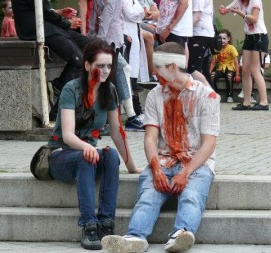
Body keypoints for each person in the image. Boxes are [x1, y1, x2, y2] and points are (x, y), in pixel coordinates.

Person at [101, 42, 220, 253]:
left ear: (173, 66)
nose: (154, 72)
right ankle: (135, 238)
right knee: (148, 195)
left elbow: (209, 143)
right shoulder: (155, 95)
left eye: (159, 67)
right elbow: (150, 139)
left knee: (192, 195)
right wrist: (155, 168)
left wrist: (186, 172)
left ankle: (181, 235)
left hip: (196, 162)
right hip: (163, 160)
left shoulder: (206, 95)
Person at [48, 38, 141, 250]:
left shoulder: (110, 91)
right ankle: (89, 226)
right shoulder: (71, 89)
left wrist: (132, 166)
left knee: (110, 155)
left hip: (87, 156)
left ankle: (106, 225)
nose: (106, 70)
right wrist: (87, 147)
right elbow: (68, 134)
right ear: (88, 65)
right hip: (61, 154)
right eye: (100, 65)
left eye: (109, 65)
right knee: (86, 156)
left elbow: (118, 132)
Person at [12, 0, 87, 121]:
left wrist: (58, 12)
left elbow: (40, 9)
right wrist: (67, 23)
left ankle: (59, 84)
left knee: (87, 46)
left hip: (46, 27)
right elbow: (43, 11)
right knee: (79, 61)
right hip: (40, 29)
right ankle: (59, 110)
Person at [87, 0, 144, 131]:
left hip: (109, 41)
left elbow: (107, 17)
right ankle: (128, 116)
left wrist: (96, 40)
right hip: (107, 41)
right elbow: (100, 18)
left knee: (113, 75)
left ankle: (126, 117)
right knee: (113, 75)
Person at [220, 0, 269, 110]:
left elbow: (254, 19)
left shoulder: (255, 1)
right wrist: (223, 10)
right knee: (246, 70)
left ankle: (264, 102)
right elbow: (226, 10)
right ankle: (246, 102)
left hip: (260, 37)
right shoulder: (239, 1)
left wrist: (240, 13)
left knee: (255, 69)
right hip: (249, 37)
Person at [187, 0, 215, 88]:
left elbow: (197, 15)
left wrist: (184, 28)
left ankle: (210, 95)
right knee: (199, 68)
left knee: (192, 69)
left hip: (199, 34)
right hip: (203, 33)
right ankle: (208, 95)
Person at [209, 29, 240, 102]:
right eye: (220, 38)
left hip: (230, 69)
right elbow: (213, 63)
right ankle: (215, 94)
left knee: (229, 76)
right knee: (212, 75)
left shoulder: (231, 48)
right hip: (221, 69)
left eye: (224, 38)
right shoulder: (216, 49)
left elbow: (236, 62)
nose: (222, 40)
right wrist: (208, 73)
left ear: (228, 39)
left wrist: (237, 75)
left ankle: (230, 96)